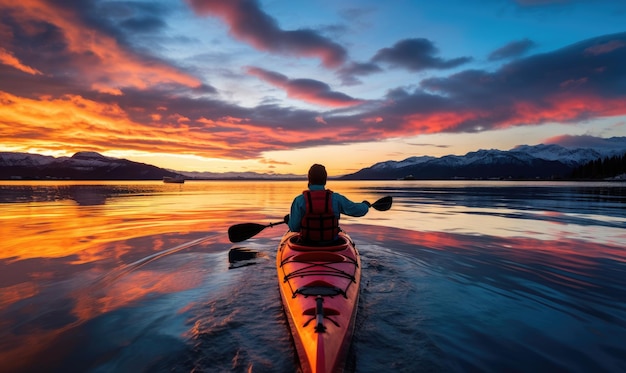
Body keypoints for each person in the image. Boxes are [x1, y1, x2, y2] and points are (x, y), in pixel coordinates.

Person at [286, 164, 371, 242]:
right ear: (325, 180)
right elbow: (358, 211)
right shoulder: (336, 199)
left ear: (309, 179)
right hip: (332, 244)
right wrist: (365, 205)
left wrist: (289, 220)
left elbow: (294, 228)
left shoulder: (299, 201)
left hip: (306, 244)